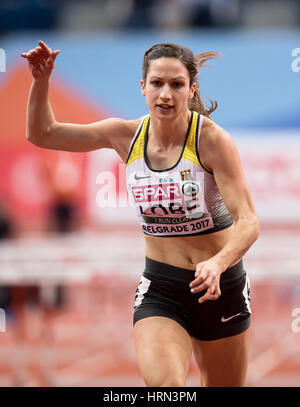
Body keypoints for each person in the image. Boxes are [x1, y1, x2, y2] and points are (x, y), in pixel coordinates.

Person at [21, 41, 259, 387]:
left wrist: (217, 263)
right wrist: (41, 80)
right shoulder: (125, 136)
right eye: (157, 83)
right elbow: (43, 134)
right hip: (162, 289)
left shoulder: (211, 140)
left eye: (176, 84)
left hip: (221, 287)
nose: (165, 94)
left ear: (191, 88)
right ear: (143, 87)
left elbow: (249, 222)